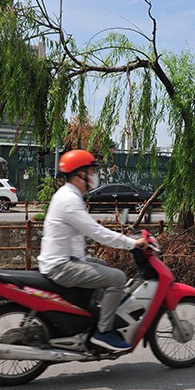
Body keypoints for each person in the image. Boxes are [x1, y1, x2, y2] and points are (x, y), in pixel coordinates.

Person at [37, 149, 148, 352]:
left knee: (101, 265)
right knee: (117, 278)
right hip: (61, 266)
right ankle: (103, 332)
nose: (93, 176)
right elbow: (97, 233)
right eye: (90, 172)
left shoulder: (68, 195)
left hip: (64, 260)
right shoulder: (69, 200)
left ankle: (93, 317)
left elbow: (83, 234)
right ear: (79, 175)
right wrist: (131, 243)